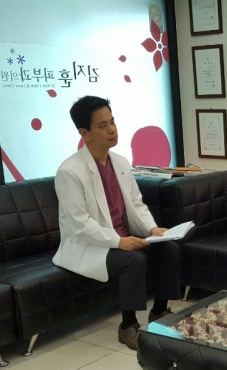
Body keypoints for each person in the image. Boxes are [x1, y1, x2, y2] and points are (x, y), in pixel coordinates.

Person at [53, 95, 181, 350]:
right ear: (84, 133)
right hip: (91, 245)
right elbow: (80, 224)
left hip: (123, 236)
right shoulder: (69, 172)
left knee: (168, 248)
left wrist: (152, 229)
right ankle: (127, 325)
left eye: (112, 122)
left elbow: (136, 203)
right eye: (103, 125)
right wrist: (119, 242)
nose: (112, 129)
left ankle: (159, 312)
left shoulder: (120, 162)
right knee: (134, 260)